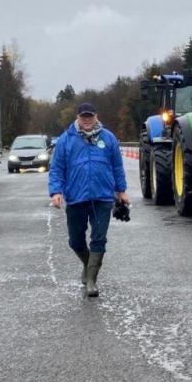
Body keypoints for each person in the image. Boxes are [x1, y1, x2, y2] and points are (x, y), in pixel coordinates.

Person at [48, 102, 130, 297]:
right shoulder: (65, 140)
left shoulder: (108, 138)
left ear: (96, 116)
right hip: (76, 197)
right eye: (83, 116)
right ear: (77, 117)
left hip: (102, 197)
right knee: (75, 241)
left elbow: (117, 167)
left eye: (90, 116)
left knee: (99, 238)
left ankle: (92, 280)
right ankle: (87, 263)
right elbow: (57, 168)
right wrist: (56, 192)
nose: (86, 120)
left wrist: (121, 190)